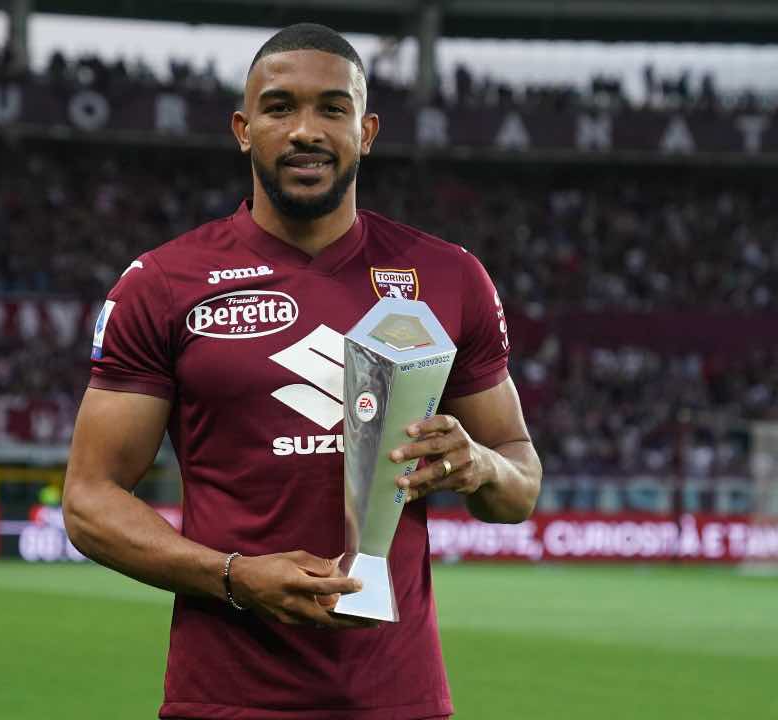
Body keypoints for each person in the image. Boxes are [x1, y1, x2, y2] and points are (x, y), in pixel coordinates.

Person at [64, 23, 542, 719]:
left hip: (400, 700)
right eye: (280, 107)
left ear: (366, 132)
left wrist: (479, 465)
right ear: (243, 129)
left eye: (332, 109)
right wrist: (234, 577)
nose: (305, 131)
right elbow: (88, 501)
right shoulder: (163, 285)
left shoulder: (450, 278)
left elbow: (519, 481)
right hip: (225, 699)